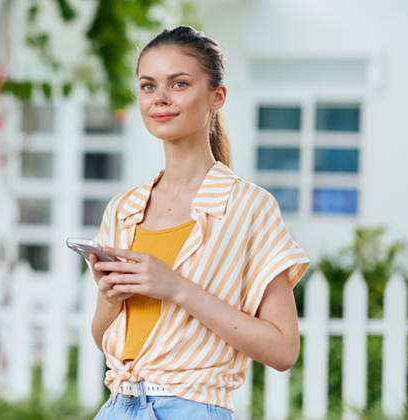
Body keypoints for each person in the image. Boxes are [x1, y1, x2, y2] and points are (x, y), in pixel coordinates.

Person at [87, 26, 309, 420]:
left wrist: (176, 288)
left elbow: (283, 350)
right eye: (148, 86)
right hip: (118, 406)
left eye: (179, 83)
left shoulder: (249, 208)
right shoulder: (123, 210)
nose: (160, 99)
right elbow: (104, 336)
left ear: (216, 97)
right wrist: (108, 299)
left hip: (191, 408)